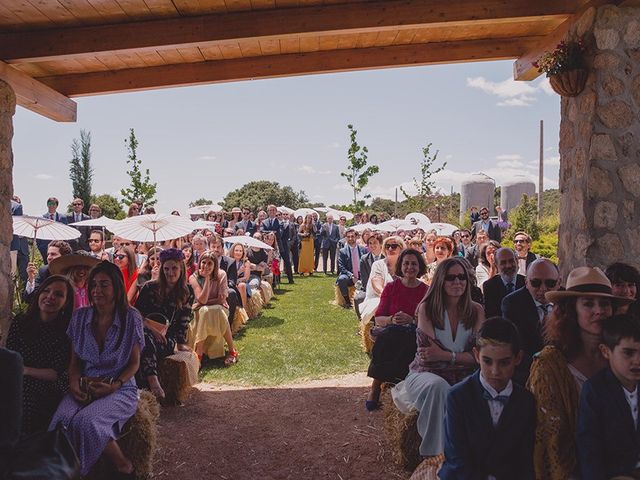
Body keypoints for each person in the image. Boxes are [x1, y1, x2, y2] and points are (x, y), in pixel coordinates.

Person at [527, 266, 632, 480]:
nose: (599, 311)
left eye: (604, 303)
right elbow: (550, 440)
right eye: (588, 303)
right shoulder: (550, 365)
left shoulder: (623, 359)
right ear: (571, 309)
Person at [49, 261, 144, 477]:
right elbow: (74, 362)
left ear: (117, 288)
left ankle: (122, 466)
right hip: (85, 384)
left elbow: (134, 363)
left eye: (104, 285)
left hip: (120, 387)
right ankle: (60, 471)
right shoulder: (80, 316)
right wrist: (74, 383)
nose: (96, 290)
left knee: (86, 422)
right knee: (61, 420)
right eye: (93, 285)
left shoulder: (131, 318)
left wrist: (115, 385)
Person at [391, 257, 485, 457]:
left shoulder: (476, 311)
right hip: (426, 374)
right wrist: (464, 356)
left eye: (462, 277)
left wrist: (446, 355)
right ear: (440, 280)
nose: (457, 282)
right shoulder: (427, 309)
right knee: (438, 387)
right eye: (451, 277)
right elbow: (428, 357)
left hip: (465, 375)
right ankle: (437, 456)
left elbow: (481, 357)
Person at [439, 317, 536, 480]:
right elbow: (457, 458)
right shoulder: (457, 397)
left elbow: (524, 460)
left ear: (518, 358)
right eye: (487, 361)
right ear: (477, 355)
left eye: (504, 363)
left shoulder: (526, 401)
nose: (495, 371)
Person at [7, 275, 74, 435]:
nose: (50, 297)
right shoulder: (21, 321)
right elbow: (10, 354)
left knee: (23, 403)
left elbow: (56, 373)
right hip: (17, 377)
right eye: (46, 291)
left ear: (66, 302)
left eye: (58, 294)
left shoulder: (66, 331)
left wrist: (24, 370)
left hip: (48, 385)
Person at [577, 314, 640, 480]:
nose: (638, 360)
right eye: (628, 353)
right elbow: (589, 449)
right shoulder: (595, 391)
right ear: (606, 351)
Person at [365, 248, 428, 410]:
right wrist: (392, 319)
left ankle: (397, 387)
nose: (409, 267)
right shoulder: (391, 287)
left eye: (414, 264)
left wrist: (412, 319)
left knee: (405, 336)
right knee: (392, 334)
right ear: (400, 266)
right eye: (406, 263)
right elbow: (379, 318)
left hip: (414, 333)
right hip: (390, 332)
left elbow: (430, 320)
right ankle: (376, 386)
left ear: (419, 266)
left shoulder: (426, 291)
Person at [135, 248, 193, 400]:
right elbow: (136, 314)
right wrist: (151, 329)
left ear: (181, 269)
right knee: (145, 339)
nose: (170, 272)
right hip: (145, 330)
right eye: (166, 268)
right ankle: (153, 381)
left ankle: (150, 385)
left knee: (146, 343)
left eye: (174, 268)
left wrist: (181, 344)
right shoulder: (149, 287)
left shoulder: (188, 291)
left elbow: (183, 320)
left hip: (167, 338)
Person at [502, 258, 561, 385]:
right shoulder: (513, 304)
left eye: (550, 283)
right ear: (526, 282)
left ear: (559, 282)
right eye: (535, 283)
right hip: (528, 373)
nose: (543, 288)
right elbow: (518, 346)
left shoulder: (567, 301)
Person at [188, 252, 238, 365]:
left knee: (216, 310)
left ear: (215, 265)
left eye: (210, 263)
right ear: (199, 263)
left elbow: (221, 299)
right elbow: (202, 299)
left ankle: (231, 351)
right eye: (203, 262)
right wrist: (206, 279)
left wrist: (203, 303)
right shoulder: (193, 277)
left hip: (218, 308)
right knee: (206, 311)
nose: (206, 266)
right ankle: (201, 352)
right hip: (200, 311)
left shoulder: (221, 275)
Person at [359, 236, 404, 325]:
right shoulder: (378, 264)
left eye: (394, 246)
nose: (390, 248)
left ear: (401, 248)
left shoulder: (406, 265)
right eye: (387, 246)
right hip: (380, 298)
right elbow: (377, 282)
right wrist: (387, 295)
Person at [482, 247, 525, 318]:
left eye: (511, 261)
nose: (508, 266)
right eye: (503, 263)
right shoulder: (489, 286)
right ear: (496, 266)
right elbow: (491, 316)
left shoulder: (526, 282)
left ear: (517, 261)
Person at [354, 232, 384, 318]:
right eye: (370, 243)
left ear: (380, 244)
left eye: (375, 242)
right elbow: (365, 280)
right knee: (358, 298)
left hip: (384, 289)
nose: (372, 245)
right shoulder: (364, 259)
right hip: (368, 289)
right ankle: (362, 324)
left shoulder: (386, 258)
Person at [262, 205, 294, 284]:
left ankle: (290, 279)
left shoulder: (280, 222)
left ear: (276, 211)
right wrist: (272, 232)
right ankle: (276, 280)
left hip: (281, 244)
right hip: (269, 244)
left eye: (273, 210)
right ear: (268, 211)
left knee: (287, 261)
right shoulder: (264, 222)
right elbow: (262, 231)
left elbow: (280, 233)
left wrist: (270, 232)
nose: (272, 212)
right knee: (274, 262)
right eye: (270, 210)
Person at [336, 229, 368, 308]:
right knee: (341, 279)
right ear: (346, 238)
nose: (350, 238)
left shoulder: (363, 250)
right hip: (349, 276)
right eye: (348, 237)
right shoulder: (342, 251)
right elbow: (341, 267)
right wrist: (352, 276)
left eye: (352, 236)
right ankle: (347, 302)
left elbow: (367, 264)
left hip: (362, 275)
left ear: (356, 237)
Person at [37, 197, 68, 263]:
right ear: (47, 205)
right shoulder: (42, 218)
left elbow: (65, 232)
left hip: (59, 248)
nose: (51, 205)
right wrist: (40, 246)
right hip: (45, 248)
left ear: (56, 205)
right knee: (46, 266)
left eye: (53, 204)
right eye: (49, 203)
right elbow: (39, 234)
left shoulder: (62, 218)